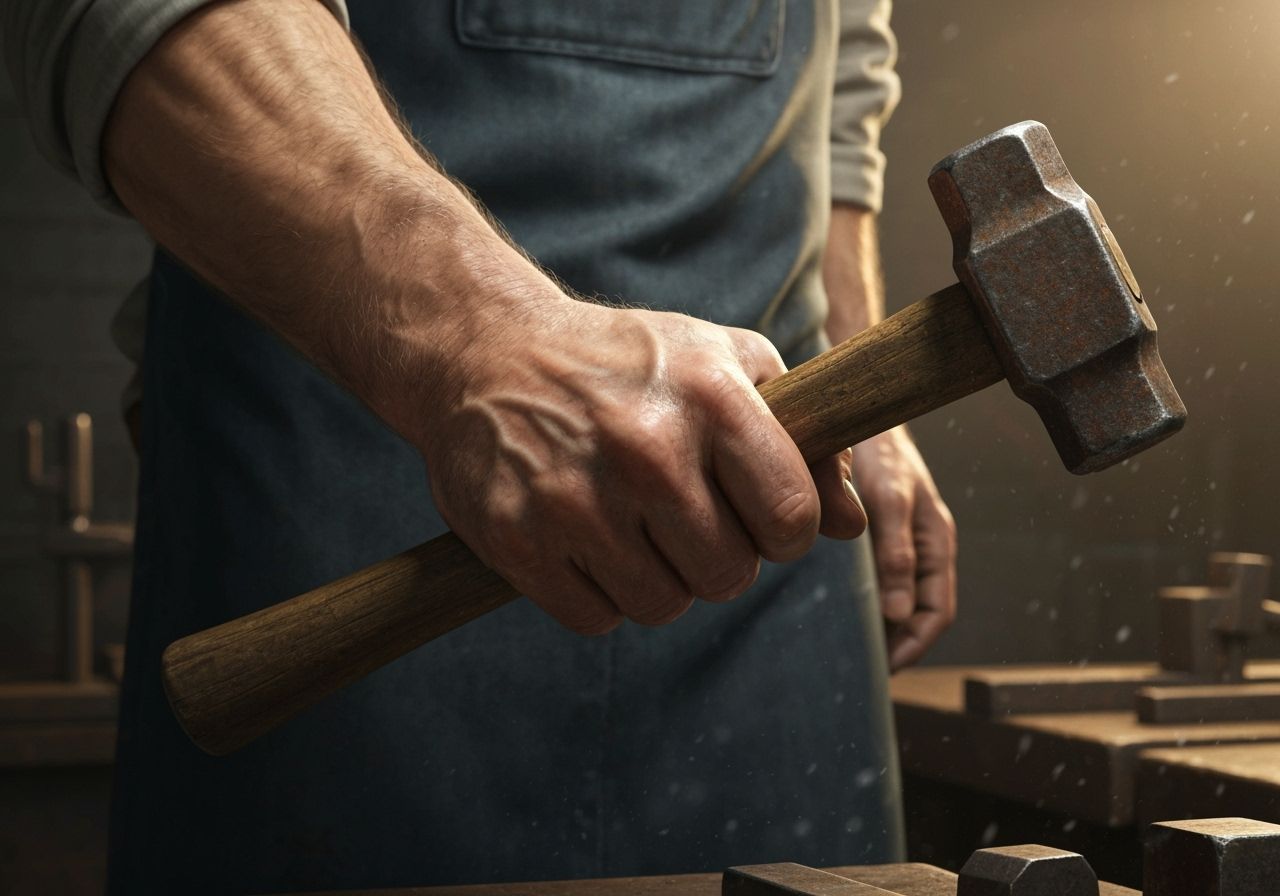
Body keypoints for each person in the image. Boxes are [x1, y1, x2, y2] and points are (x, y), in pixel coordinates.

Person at [4, 0, 956, 892]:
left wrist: (855, 359)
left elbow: (844, 69)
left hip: (764, 533)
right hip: (347, 526)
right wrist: (477, 341)